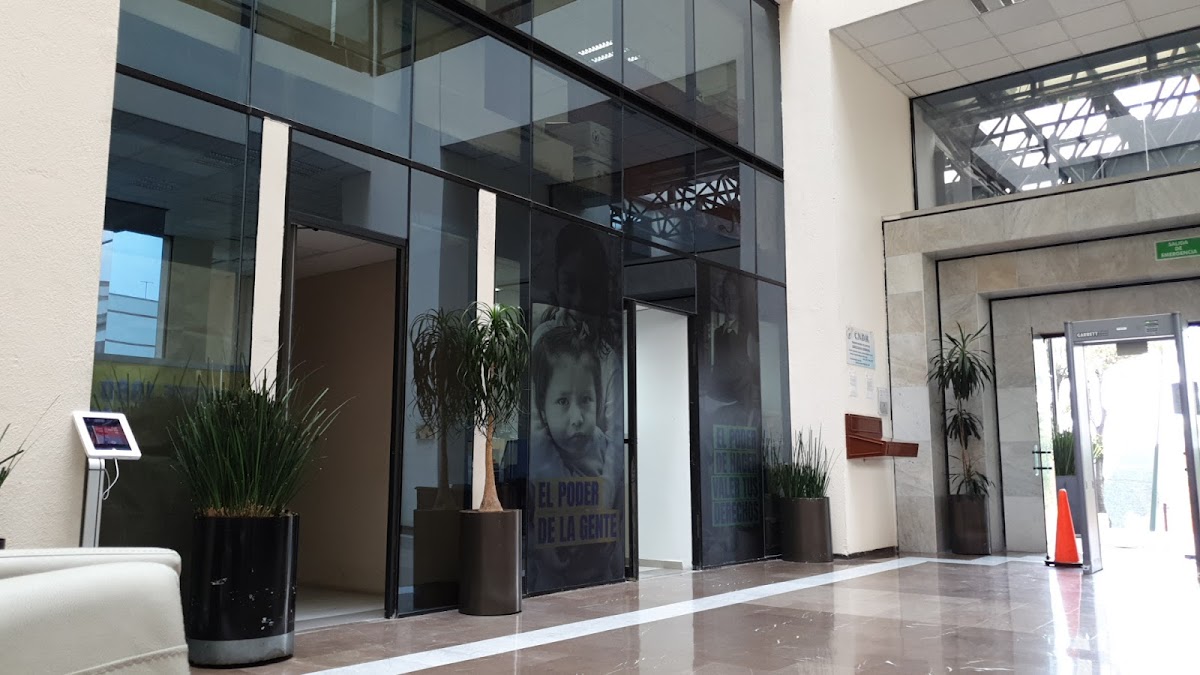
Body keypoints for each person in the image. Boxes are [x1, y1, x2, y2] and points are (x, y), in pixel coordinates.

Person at [527, 323, 623, 591]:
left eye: (586, 400)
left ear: (599, 401)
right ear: (542, 409)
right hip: (548, 588)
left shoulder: (608, 455)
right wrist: (541, 550)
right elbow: (528, 524)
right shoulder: (537, 459)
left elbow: (617, 524)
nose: (577, 418)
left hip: (603, 583)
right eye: (562, 402)